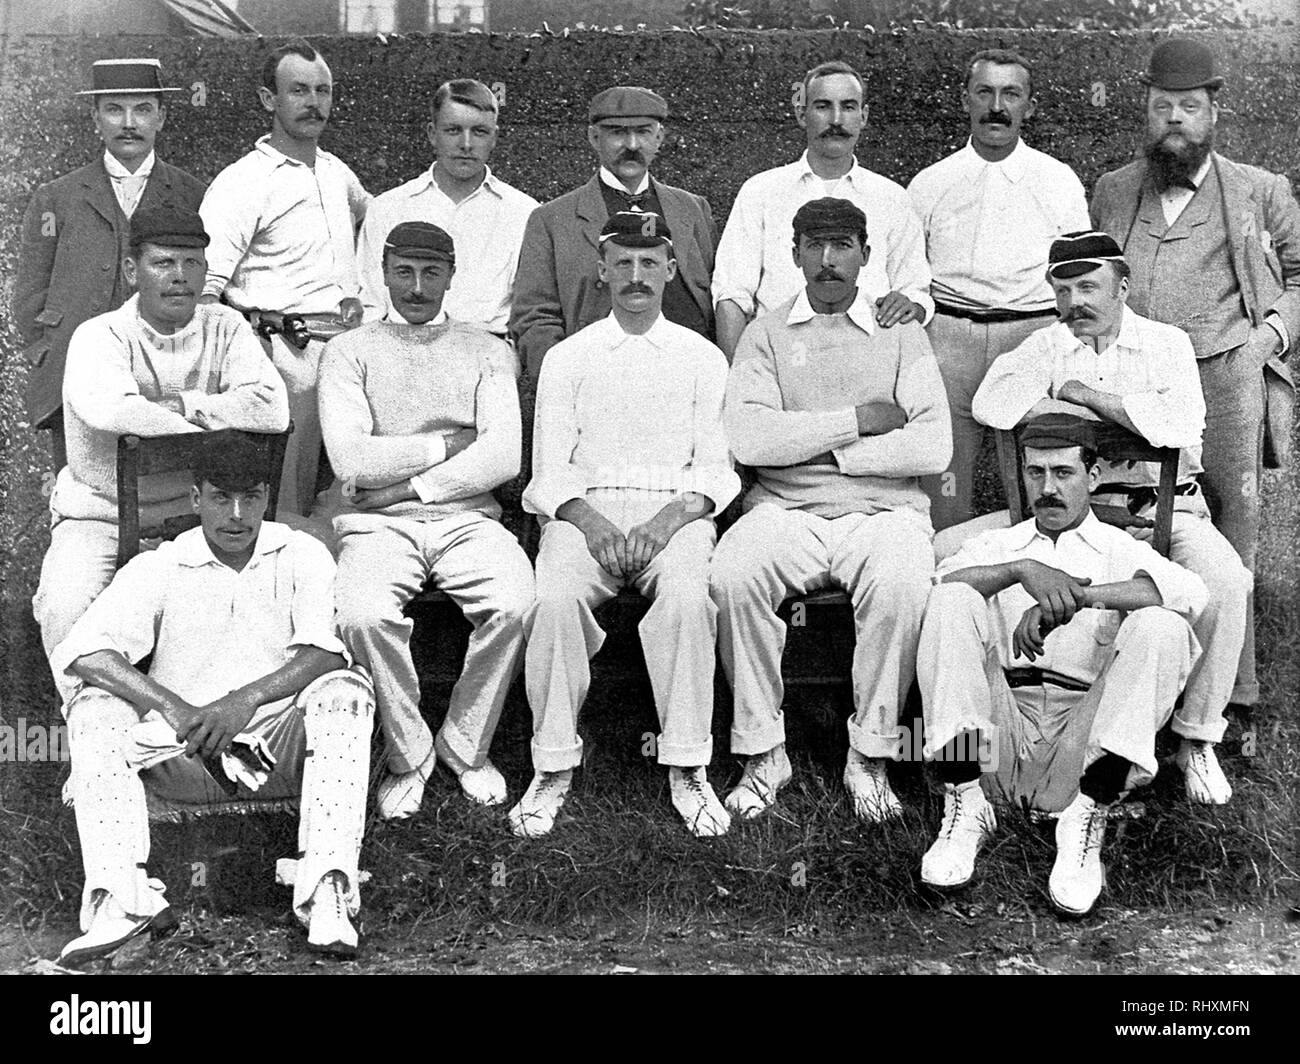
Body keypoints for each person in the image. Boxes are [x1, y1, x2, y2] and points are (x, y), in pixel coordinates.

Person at [50, 432, 374, 965]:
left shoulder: (301, 553)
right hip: (182, 754)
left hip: (276, 750)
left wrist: (242, 702)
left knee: (347, 690)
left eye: (251, 497)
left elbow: (326, 653)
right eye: (222, 497)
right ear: (196, 498)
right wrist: (174, 708)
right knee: (94, 704)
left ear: (268, 496)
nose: (237, 514)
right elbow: (83, 651)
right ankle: (119, 899)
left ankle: (326, 889)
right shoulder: (161, 564)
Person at [971, 230, 1251, 804]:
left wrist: (1083, 395)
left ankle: (1195, 740)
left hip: (1164, 510)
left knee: (1226, 581)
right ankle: (985, 740)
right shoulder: (1046, 344)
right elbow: (990, 407)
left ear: (1123, 286)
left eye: (1090, 286)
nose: (1077, 302)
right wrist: (1068, 399)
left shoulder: (1165, 344)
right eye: (1065, 289)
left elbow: (1179, 429)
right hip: (1070, 514)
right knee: (946, 560)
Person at [709, 198, 951, 822]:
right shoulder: (765, 332)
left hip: (885, 513)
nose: (827, 260)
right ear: (793, 255)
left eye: (842, 245)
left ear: (866, 256)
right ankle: (763, 752)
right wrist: (859, 422)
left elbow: (932, 444)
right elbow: (750, 440)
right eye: (813, 246)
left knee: (901, 583)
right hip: (784, 509)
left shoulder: (901, 330)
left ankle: (870, 756)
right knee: (733, 574)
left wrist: (825, 453)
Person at [918, 413, 1207, 916]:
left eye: (1063, 473)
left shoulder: (1120, 549)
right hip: (995, 737)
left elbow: (1192, 594)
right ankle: (965, 805)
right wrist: (1019, 570)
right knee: (951, 601)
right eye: (1036, 473)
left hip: (1083, 743)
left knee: (1163, 624)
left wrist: (1079, 597)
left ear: (1092, 477)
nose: (1047, 488)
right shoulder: (998, 546)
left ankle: (1087, 818)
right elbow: (944, 584)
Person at [1090, 38, 1300, 726]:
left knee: (1230, 536)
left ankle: (1228, 694)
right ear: (1145, 111)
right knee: (1133, 517)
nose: (1174, 119)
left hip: (1226, 377)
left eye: (1188, 106)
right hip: (1136, 380)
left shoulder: (1258, 191)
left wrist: (1267, 340)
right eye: (1161, 106)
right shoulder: (1116, 189)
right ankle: (1127, 669)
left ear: (1214, 111)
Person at [510, 211, 739, 839]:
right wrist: (592, 522)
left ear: (669, 269)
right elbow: (548, 469)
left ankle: (688, 764)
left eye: (649, 263)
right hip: (587, 512)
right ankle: (553, 763)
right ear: (602, 269)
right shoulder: (567, 357)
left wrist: (668, 522)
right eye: (623, 263)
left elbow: (718, 471)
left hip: (677, 511)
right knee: (555, 598)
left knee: (689, 599)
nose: (636, 277)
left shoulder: (704, 358)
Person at [321, 221, 534, 818]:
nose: (416, 287)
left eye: (431, 272)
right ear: (383, 273)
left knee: (516, 604)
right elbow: (352, 459)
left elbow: (501, 458)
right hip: (377, 526)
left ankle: (466, 746)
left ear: (451, 275)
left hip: (468, 520)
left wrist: (407, 486)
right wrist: (447, 445)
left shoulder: (488, 350)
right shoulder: (348, 351)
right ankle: (408, 753)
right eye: (403, 272)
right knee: (362, 615)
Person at [31, 207, 289, 672]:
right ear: (132, 271)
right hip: (100, 513)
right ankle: (93, 725)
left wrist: (183, 409)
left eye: (192, 264)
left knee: (250, 611)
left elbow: (272, 407)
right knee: (63, 604)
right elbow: (114, 410)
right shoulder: (100, 335)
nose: (180, 278)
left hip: (198, 514)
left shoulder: (226, 327)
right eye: (164, 263)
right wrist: (221, 420)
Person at [907, 49, 1090, 530]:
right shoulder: (930, 184)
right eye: (985, 92)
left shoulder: (1058, 181)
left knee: (1044, 468)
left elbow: (1076, 275)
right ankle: (944, 577)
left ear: (1029, 106)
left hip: (1031, 336)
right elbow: (906, 271)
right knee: (943, 474)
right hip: (949, 339)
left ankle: (1043, 585)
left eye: (1011, 94)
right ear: (966, 100)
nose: (997, 106)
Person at [200, 39, 371, 516]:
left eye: (323, 91)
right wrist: (247, 358)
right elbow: (205, 290)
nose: (313, 103)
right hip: (283, 357)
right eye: (298, 90)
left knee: (348, 502)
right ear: (267, 99)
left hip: (347, 357)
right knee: (285, 506)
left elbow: (374, 225)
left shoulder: (338, 173)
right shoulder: (243, 181)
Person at [14, 58, 206, 467]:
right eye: (114, 109)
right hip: (76, 376)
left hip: (166, 375)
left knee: (164, 496)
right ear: (95, 118)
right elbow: (30, 295)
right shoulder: (57, 198)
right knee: (81, 490)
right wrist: (51, 350)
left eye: (142, 109)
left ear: (162, 117)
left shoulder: (193, 195)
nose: (129, 123)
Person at [712, 60, 933, 359]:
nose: (837, 120)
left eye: (849, 107)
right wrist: (741, 375)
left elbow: (917, 292)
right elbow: (732, 295)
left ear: (864, 116)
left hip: (868, 360)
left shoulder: (891, 197)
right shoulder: (761, 191)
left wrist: (910, 305)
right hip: (780, 359)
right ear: (802, 114)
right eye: (823, 106)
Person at [509, 86, 717, 381]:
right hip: (597, 378)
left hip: (684, 375)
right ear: (594, 138)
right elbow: (533, 318)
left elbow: (714, 297)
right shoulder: (551, 220)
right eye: (617, 133)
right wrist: (564, 381)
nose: (632, 144)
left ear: (659, 138)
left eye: (643, 132)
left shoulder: (692, 210)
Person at [357, 79, 538, 334]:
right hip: (402, 346)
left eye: (479, 132)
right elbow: (371, 305)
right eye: (453, 130)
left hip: (488, 352)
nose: (466, 144)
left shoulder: (524, 213)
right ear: (432, 133)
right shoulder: (388, 208)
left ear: (495, 137)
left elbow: (529, 311)